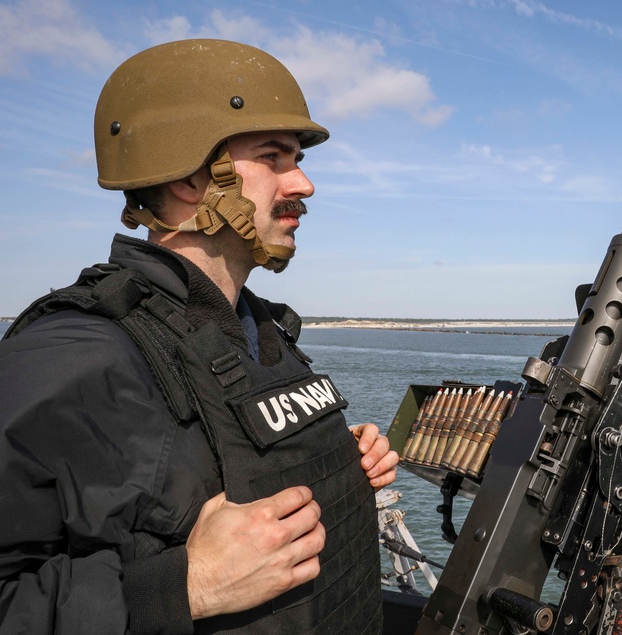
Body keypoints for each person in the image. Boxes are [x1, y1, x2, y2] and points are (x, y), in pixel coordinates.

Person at [0, 39, 399, 634]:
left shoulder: (262, 333)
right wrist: (187, 586)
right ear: (191, 177)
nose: (305, 185)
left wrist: (337, 465)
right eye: (275, 157)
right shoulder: (69, 357)